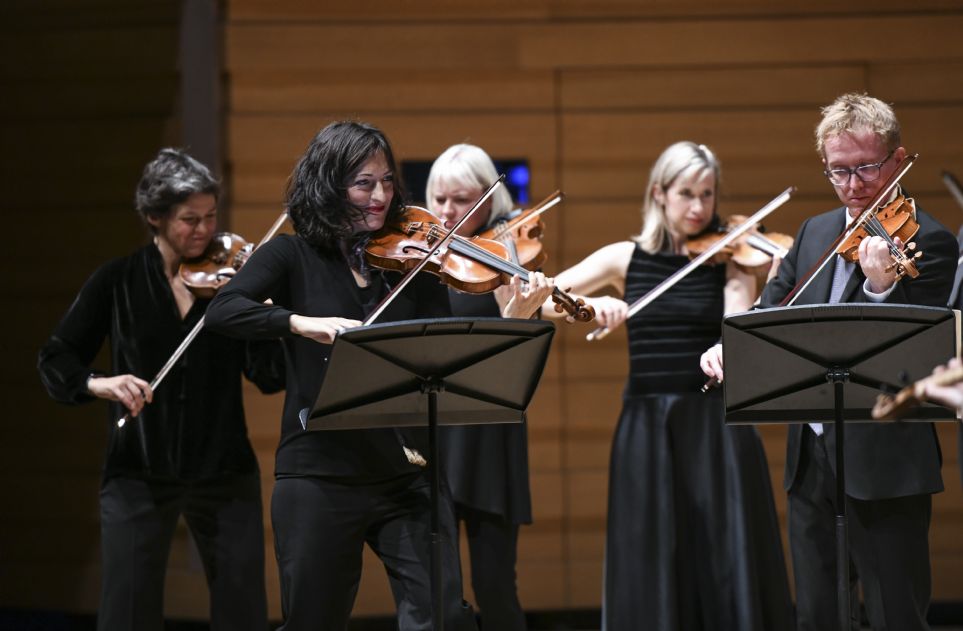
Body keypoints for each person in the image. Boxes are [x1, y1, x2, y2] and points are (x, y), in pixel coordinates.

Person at [204, 121, 479, 631]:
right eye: (363, 183)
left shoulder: (410, 263)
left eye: (387, 181)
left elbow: (438, 346)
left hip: (406, 471)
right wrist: (298, 322)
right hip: (319, 474)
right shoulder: (290, 255)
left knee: (442, 617)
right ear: (329, 185)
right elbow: (223, 311)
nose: (381, 196)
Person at [701, 93, 958, 631]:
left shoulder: (930, 241)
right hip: (811, 459)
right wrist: (732, 344)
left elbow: (917, 358)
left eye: (867, 167)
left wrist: (881, 288)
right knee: (818, 616)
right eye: (839, 171)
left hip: (886, 464)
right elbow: (772, 310)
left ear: (897, 159)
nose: (854, 185)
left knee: (894, 616)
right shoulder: (816, 232)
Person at [542, 141, 793, 631]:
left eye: (707, 194)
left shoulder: (732, 257)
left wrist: (735, 333)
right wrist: (591, 307)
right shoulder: (624, 258)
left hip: (715, 423)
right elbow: (546, 298)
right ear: (659, 193)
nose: (699, 207)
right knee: (651, 553)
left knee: (723, 553)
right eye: (686, 194)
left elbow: (735, 322)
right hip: (647, 424)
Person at [37, 148, 284, 631]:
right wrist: (99, 383)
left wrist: (266, 315)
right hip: (138, 469)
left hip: (223, 469)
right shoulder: (117, 281)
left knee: (242, 611)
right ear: (155, 217)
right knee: (127, 611)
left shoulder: (232, 285)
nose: (205, 231)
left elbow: (269, 376)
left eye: (211, 217)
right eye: (190, 220)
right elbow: (56, 357)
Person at [425, 143, 555, 631]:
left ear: (489, 198)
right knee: (436, 589)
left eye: (460, 200)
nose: (446, 211)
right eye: (438, 199)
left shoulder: (505, 252)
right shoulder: (421, 258)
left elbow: (516, 357)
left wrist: (518, 308)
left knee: (495, 584)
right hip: (432, 430)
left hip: (488, 432)